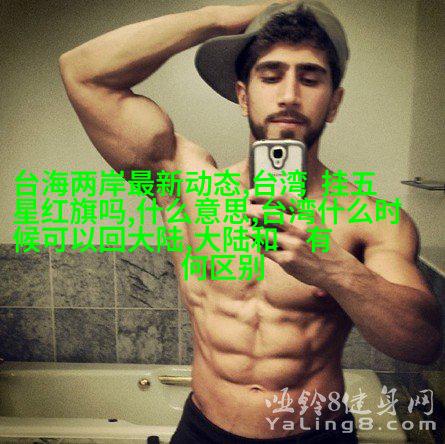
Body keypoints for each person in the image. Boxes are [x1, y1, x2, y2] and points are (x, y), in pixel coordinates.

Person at [59, 1, 442, 442]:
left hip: (315, 435)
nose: (289, 95)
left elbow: (423, 344)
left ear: (334, 103)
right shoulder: (187, 186)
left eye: (310, 78)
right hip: (204, 431)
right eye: (271, 75)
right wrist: (219, 18)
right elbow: (83, 73)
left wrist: (332, 269)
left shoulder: (373, 218)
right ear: (242, 95)